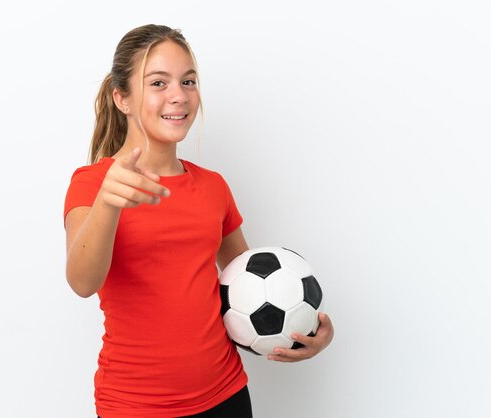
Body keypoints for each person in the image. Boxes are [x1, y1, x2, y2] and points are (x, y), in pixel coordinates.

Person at [63, 24, 334, 418]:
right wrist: (109, 201)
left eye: (188, 81)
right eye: (158, 82)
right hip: (134, 406)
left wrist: (308, 331)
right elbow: (82, 283)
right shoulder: (92, 185)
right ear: (122, 98)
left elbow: (246, 289)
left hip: (226, 397)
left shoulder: (213, 187)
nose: (179, 95)